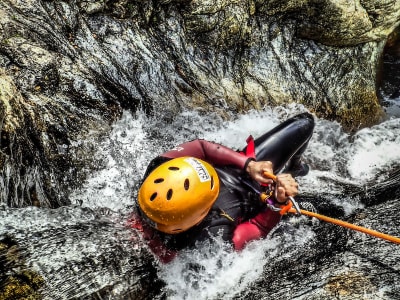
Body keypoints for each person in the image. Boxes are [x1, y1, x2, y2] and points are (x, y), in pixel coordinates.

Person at [131, 112, 315, 263]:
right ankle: (292, 172)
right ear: (200, 216)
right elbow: (258, 226)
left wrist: (248, 164)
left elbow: (201, 148)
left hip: (243, 168)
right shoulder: (212, 240)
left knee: (304, 123)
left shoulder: (158, 169)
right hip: (259, 198)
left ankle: (294, 167)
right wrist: (277, 200)